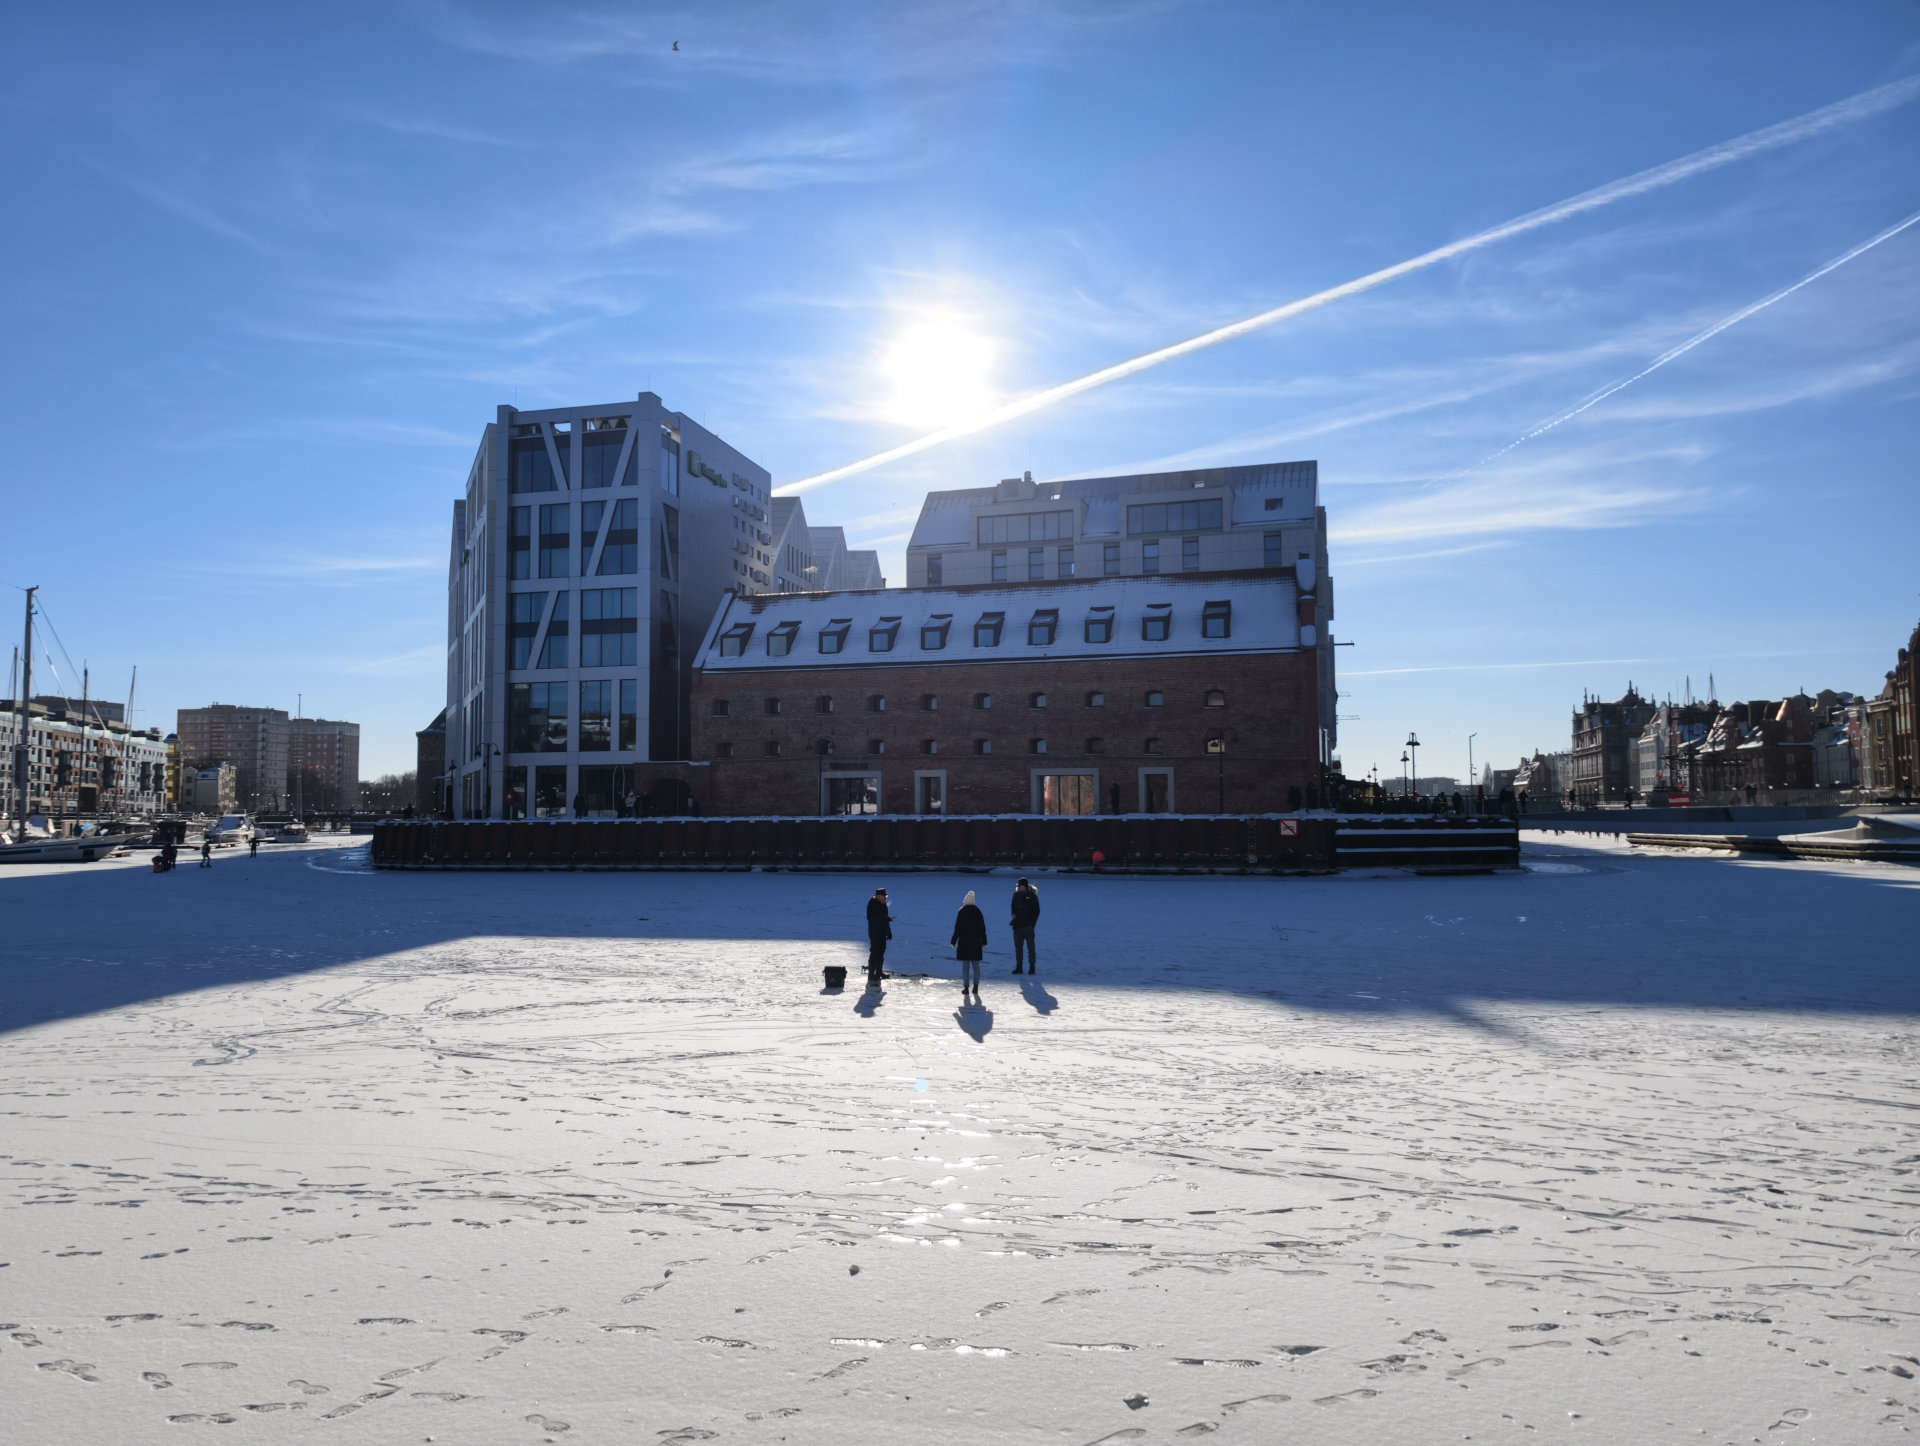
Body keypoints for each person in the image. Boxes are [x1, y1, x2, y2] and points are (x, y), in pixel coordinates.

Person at [951, 890, 987, 996]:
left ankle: (966, 988)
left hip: (964, 943)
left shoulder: (961, 911)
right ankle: (976, 987)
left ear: (965, 901)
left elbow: (957, 929)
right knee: (976, 966)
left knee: (965, 966)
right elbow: (982, 928)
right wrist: (984, 941)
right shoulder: (978, 911)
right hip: (976, 943)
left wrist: (953, 941)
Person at [1009, 877, 1040, 974]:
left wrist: (1032, 924)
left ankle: (1032, 967)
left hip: (1028, 926)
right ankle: (1019, 967)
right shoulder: (1015, 895)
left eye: (1020, 886)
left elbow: (1036, 911)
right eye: (1018, 886)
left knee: (1030, 947)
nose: (1018, 887)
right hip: (1017, 926)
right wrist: (1013, 914)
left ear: (1025, 886)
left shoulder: (1032, 896)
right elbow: (1013, 906)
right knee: (1018, 948)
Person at [865, 888, 893, 986]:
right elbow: (873, 920)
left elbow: (885, 920)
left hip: (882, 933)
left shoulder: (883, 905)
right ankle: (871, 975)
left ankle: (879, 972)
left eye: (886, 896)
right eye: (884, 896)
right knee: (874, 952)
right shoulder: (872, 905)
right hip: (875, 933)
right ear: (879, 897)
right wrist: (884, 919)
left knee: (881, 952)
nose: (886, 898)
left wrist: (888, 932)